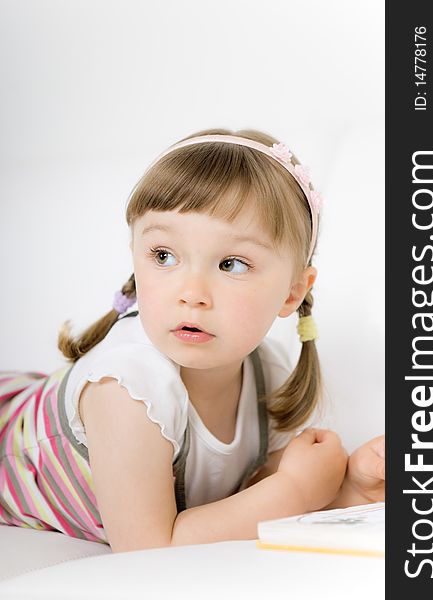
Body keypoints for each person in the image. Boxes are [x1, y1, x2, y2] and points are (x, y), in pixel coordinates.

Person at [0, 128, 384, 553]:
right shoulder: (126, 389)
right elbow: (148, 548)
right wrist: (295, 489)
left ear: (293, 291)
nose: (192, 292)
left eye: (232, 263)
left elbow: (241, 495)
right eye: (163, 256)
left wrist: (346, 489)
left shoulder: (264, 370)